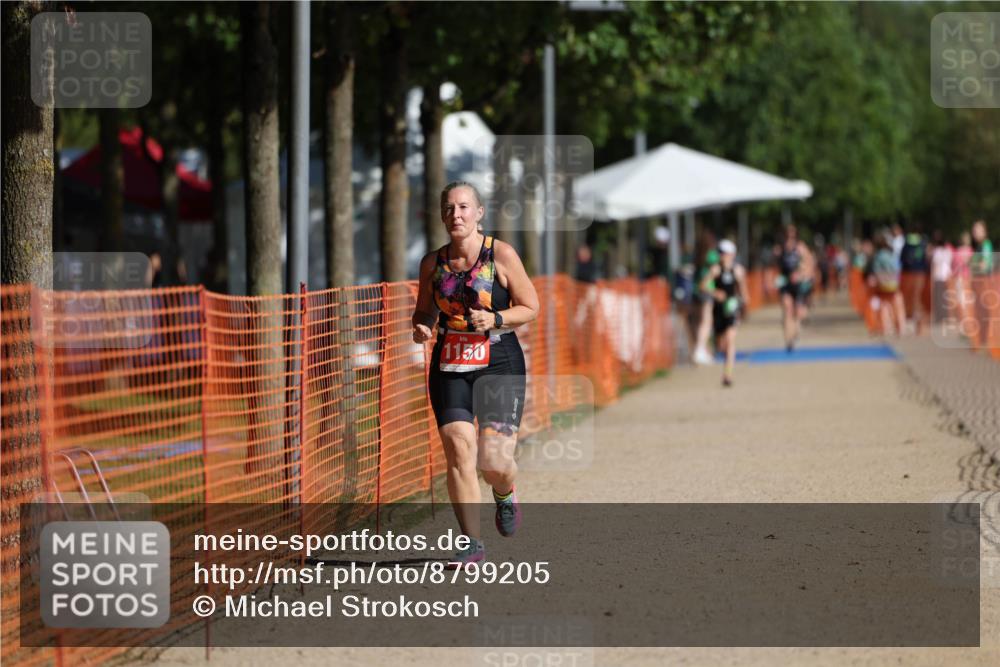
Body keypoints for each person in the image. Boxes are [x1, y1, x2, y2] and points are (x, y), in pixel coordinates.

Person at [412, 181, 539, 567]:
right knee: (458, 450)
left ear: (479, 213)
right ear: (441, 215)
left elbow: (530, 306)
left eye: (464, 207)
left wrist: (496, 317)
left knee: (494, 463)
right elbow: (424, 310)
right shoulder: (432, 264)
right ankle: (471, 543)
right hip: (450, 362)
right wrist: (421, 325)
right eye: (449, 208)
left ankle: (504, 492)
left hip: (499, 360)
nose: (457, 215)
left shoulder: (499, 254)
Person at [701, 240, 749, 387]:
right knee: (722, 345)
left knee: (730, 340)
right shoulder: (715, 270)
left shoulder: (738, 270)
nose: (722, 256)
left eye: (725, 253)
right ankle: (720, 353)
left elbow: (743, 290)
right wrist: (715, 293)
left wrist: (744, 302)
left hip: (732, 308)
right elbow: (702, 286)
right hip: (718, 311)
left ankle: (727, 375)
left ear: (732, 254)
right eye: (720, 253)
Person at [775, 224, 815, 352]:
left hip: (798, 284)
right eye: (788, 233)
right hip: (785, 284)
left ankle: (796, 333)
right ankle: (788, 340)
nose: (790, 236)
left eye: (792, 233)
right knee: (787, 309)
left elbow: (810, 263)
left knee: (799, 313)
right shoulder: (780, 248)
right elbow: (775, 266)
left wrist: (803, 274)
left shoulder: (800, 247)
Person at [868, 231, 906, 337]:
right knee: (898, 306)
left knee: (884, 305)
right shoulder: (891, 255)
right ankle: (901, 328)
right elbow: (898, 269)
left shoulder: (878, 256)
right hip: (894, 283)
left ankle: (885, 328)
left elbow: (876, 271)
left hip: (883, 284)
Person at [899, 228, 929, 334]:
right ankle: (920, 325)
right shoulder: (922, 244)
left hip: (908, 274)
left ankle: (911, 321)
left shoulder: (906, 244)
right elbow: (925, 260)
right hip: (920, 274)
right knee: (918, 298)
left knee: (908, 298)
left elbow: (901, 259)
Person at [929, 230, 953, 331]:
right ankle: (945, 316)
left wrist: (932, 277)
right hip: (947, 276)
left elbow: (935, 265)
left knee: (939, 298)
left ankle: (940, 317)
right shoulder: (948, 251)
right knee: (945, 298)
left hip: (939, 276)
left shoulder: (937, 251)